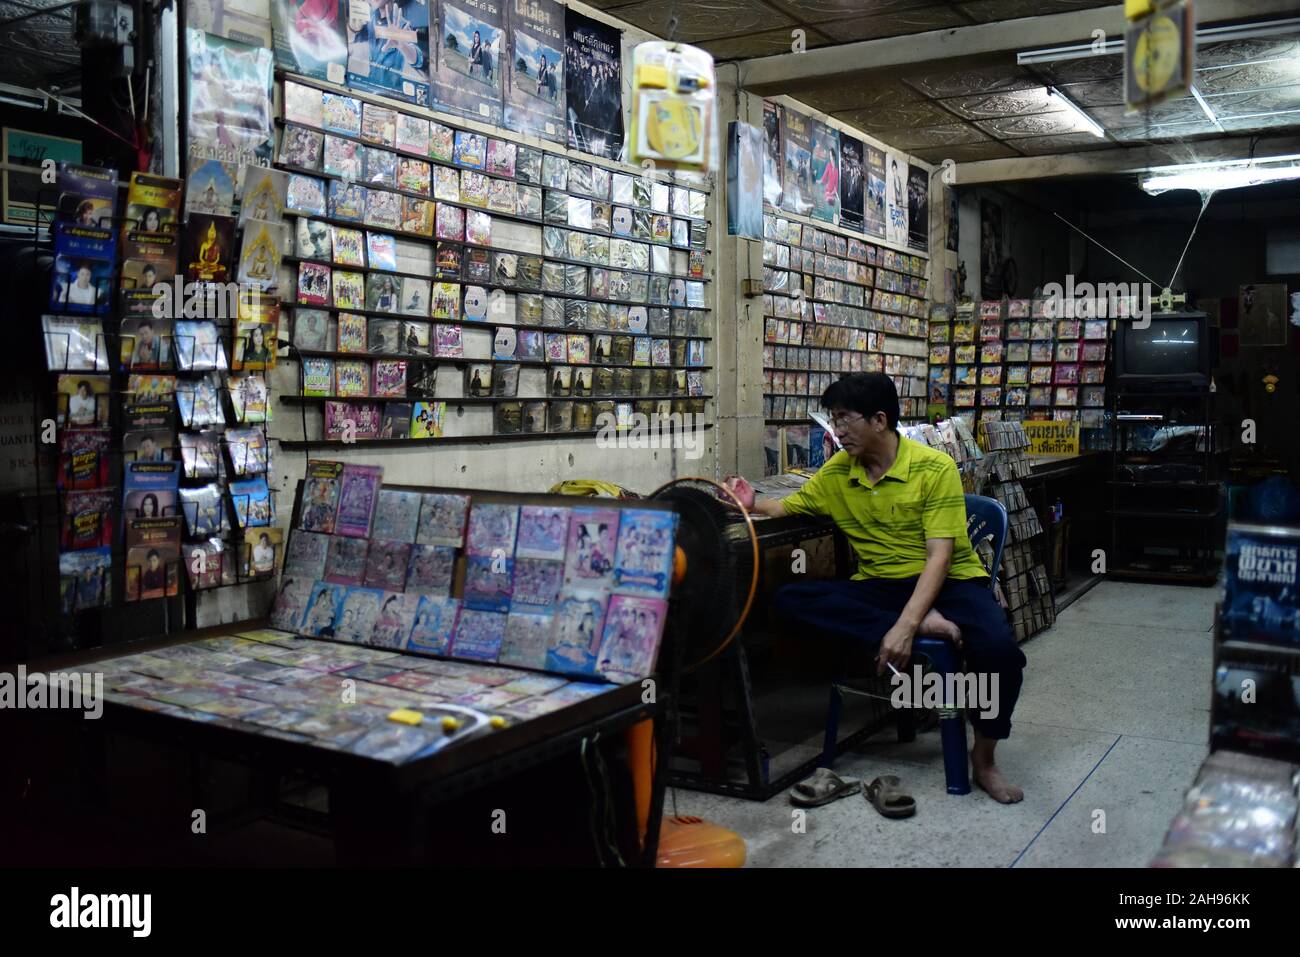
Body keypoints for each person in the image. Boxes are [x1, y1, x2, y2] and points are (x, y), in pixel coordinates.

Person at [724, 373, 1027, 804]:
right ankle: (924, 621)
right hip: (883, 587)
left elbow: (939, 558)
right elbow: (791, 505)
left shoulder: (933, 468)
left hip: (952, 582)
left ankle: (984, 758)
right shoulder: (838, 473)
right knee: (790, 600)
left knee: (999, 653)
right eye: (833, 420)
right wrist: (752, 502)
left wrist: (905, 627)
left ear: (879, 419)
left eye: (845, 419)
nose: (837, 430)